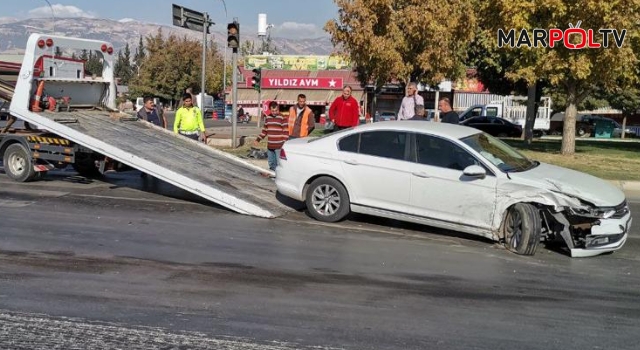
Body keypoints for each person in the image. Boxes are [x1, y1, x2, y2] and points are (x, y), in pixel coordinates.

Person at [253, 101, 289, 171]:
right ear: (270, 110)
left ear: (278, 109)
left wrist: (284, 143)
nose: (274, 112)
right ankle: (272, 177)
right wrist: (258, 139)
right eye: (273, 111)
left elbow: (286, 132)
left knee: (279, 164)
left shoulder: (282, 117)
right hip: (270, 146)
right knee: (271, 163)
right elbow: (264, 131)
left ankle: (278, 178)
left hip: (279, 146)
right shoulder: (268, 118)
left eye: (276, 110)